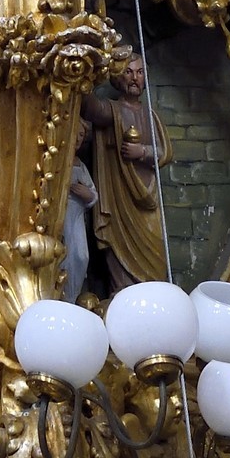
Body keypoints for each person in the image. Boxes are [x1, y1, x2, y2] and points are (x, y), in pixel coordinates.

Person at [82, 58, 171, 289]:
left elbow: (164, 152)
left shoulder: (150, 116)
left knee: (156, 257)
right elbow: (90, 107)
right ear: (117, 77)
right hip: (120, 197)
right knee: (122, 249)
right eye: (128, 72)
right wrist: (86, 69)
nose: (134, 78)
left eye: (140, 73)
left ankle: (155, 296)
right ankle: (123, 295)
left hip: (148, 196)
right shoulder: (112, 110)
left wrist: (142, 151)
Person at [62, 123, 99, 302]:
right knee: (64, 256)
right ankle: (63, 296)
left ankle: (73, 296)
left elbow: (93, 194)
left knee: (81, 256)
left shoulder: (80, 165)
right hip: (61, 215)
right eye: (75, 133)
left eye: (82, 135)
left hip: (76, 216)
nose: (78, 139)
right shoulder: (59, 160)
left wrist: (87, 194)